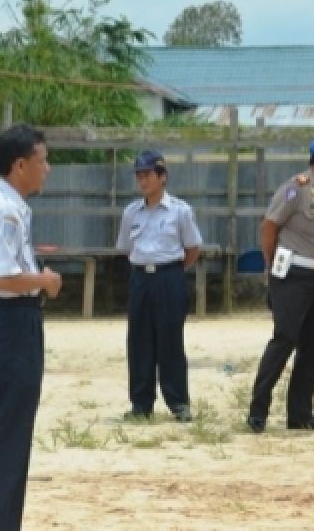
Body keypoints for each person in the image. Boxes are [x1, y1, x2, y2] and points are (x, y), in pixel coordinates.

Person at [0, 125, 63, 531]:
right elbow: (5, 277)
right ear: (20, 164)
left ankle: (2, 520)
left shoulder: (10, 206)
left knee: (13, 426)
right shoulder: (5, 210)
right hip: (11, 320)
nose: (48, 169)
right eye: (42, 160)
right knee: (7, 427)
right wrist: (45, 280)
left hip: (11, 319)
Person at [246, 136, 314, 433]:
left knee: (313, 346)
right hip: (293, 273)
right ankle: (258, 411)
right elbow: (269, 227)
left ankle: (301, 414)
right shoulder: (296, 188)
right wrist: (271, 266)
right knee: (284, 339)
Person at [117, 150, 202, 423]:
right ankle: (141, 404)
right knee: (139, 340)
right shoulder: (131, 213)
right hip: (141, 278)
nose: (143, 181)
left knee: (170, 340)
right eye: (139, 176)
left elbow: (192, 248)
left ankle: (178, 402)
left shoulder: (180, 211)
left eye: (148, 175)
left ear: (162, 177)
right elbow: (126, 248)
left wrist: (173, 272)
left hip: (169, 276)